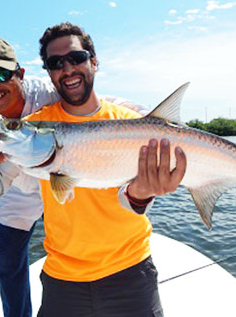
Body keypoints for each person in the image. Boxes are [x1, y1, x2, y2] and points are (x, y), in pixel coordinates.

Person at [0, 34, 148, 317]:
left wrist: (163, 127)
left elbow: (105, 106)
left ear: (20, 73)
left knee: (78, 240)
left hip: (62, 180)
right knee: (8, 265)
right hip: (15, 191)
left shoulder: (50, 93)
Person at [24, 22, 187, 317]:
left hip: (131, 272)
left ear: (94, 62)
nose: (68, 68)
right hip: (63, 279)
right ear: (49, 72)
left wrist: (141, 194)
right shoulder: (33, 128)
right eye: (56, 63)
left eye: (77, 58)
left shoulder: (133, 122)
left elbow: (130, 197)